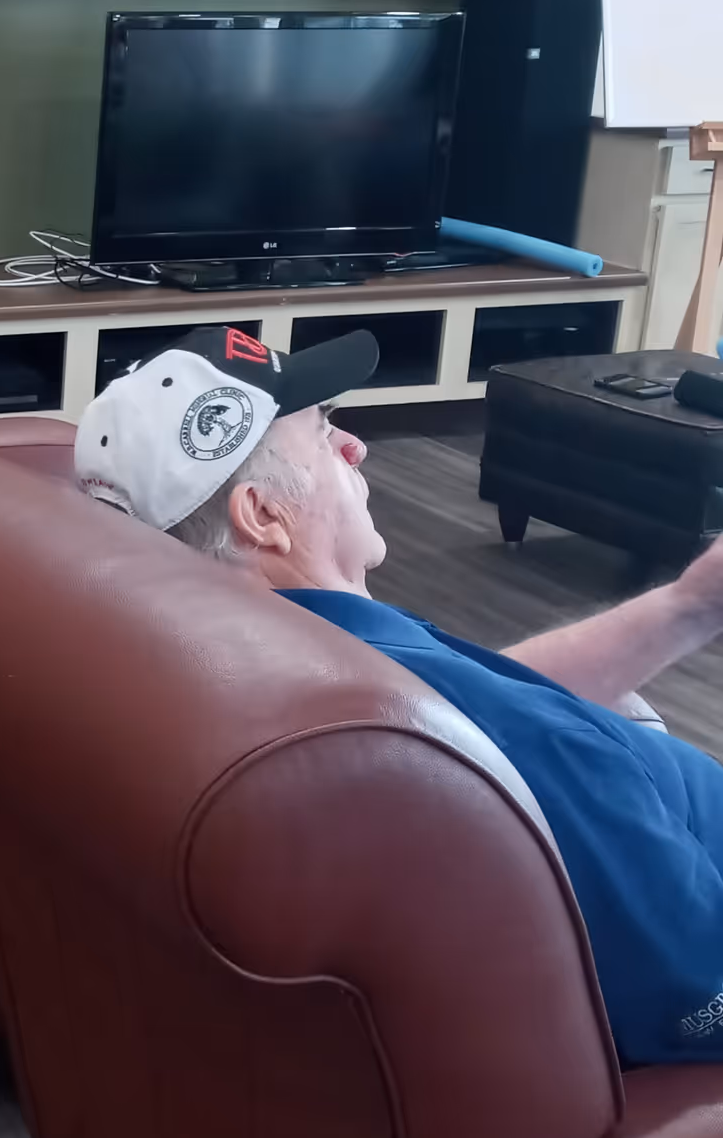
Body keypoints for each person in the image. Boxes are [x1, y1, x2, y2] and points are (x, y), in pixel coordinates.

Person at [76, 322, 723, 1066]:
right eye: (322, 434)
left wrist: (690, 604)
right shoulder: (508, 746)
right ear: (262, 516)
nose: (355, 447)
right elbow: (699, 1002)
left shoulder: (276, 658)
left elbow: (477, 700)